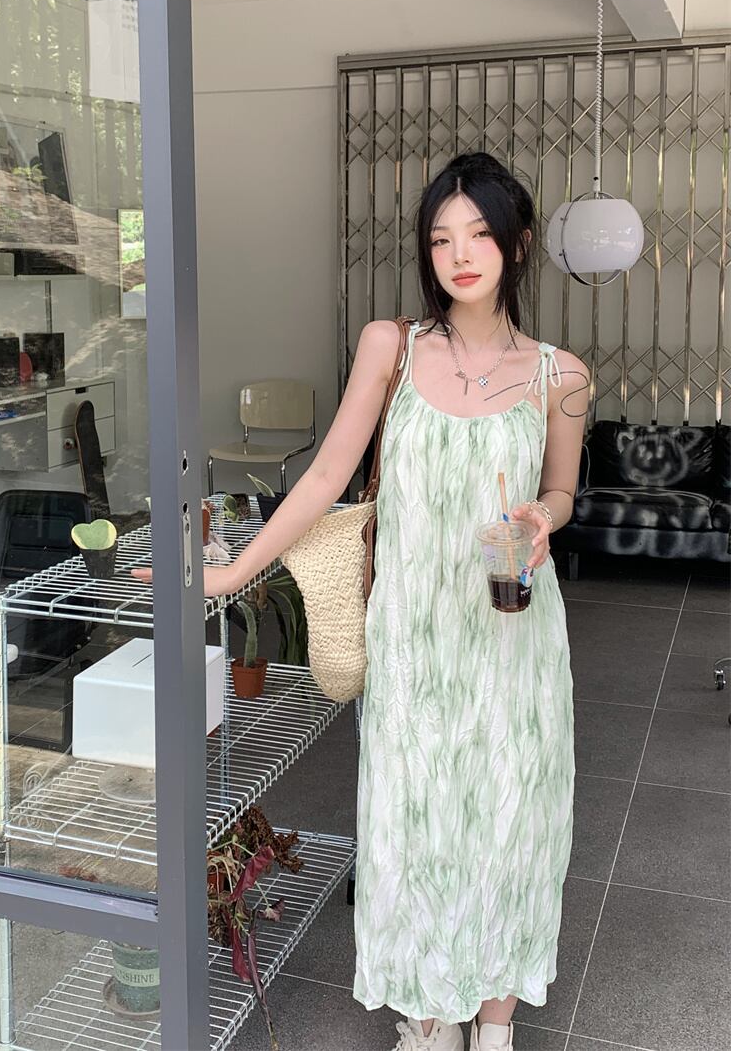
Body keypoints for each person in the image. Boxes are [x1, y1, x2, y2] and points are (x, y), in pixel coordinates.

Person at [134, 151, 589, 1051]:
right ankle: (430, 1014)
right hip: (414, 638)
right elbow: (325, 478)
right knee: (416, 822)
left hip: (514, 637)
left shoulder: (560, 377)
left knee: (514, 818)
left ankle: (495, 1020)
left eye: (480, 235)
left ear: (518, 244)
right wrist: (231, 574)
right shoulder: (393, 347)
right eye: (441, 239)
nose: (461, 255)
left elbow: (564, 491)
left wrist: (545, 515)